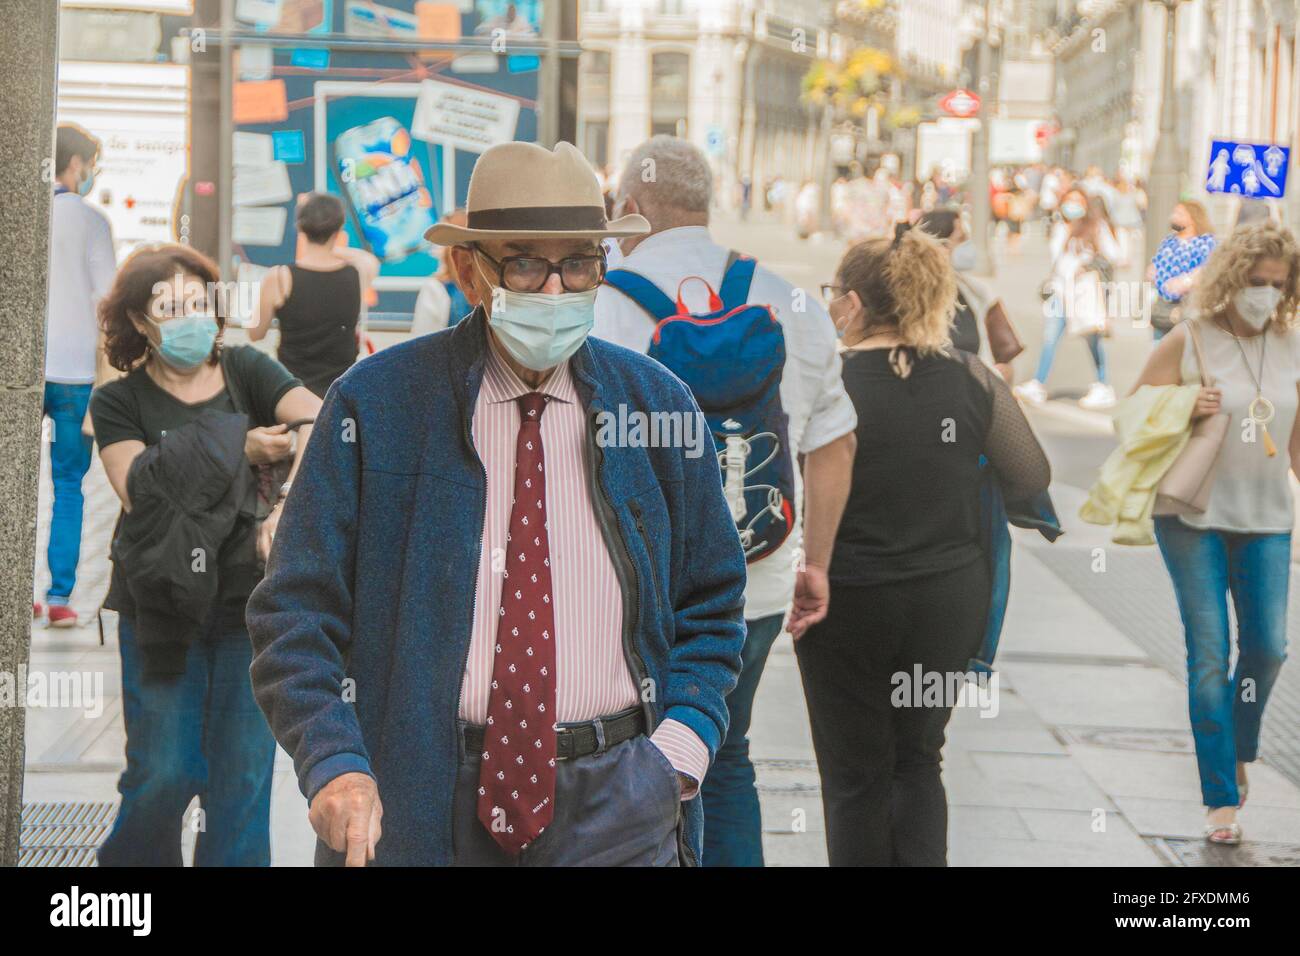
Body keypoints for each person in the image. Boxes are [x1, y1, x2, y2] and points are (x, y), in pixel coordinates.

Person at [246, 141, 748, 867]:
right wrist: (334, 760)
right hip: (423, 800)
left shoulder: (657, 406)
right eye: (524, 263)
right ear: (468, 272)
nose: (554, 290)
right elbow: (293, 608)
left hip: (622, 798)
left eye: (578, 263)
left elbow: (712, 597)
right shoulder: (376, 405)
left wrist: (679, 750)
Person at [594, 134, 858, 866]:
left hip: (633, 586)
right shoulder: (791, 300)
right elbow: (834, 444)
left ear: (629, 209)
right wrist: (817, 565)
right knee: (727, 752)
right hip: (758, 578)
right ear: (706, 206)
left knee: (634, 756)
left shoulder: (598, 307)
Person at [801, 228, 1050, 866]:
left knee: (855, 772)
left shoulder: (827, 382)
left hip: (846, 598)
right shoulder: (971, 377)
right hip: (947, 596)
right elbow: (1031, 477)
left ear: (853, 304)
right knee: (918, 759)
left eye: (834, 295)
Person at [89, 244, 321, 865]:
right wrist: (237, 448)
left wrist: (284, 502)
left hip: (247, 605)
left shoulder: (248, 370)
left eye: (198, 300)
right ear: (139, 320)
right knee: (164, 772)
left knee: (241, 779)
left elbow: (319, 418)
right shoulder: (118, 402)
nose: (189, 314)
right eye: (169, 305)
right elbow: (140, 486)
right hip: (160, 605)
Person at [1132, 222, 1299, 846]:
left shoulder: (1293, 344)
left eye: (1276, 284)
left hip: (1267, 519)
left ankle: (1237, 747)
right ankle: (1220, 800)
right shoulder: (1190, 337)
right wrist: (1184, 407)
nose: (1264, 293)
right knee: (1209, 657)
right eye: (1254, 281)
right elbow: (1133, 412)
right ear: (1231, 277)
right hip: (1190, 516)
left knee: (1270, 647)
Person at [37, 124, 117, 628]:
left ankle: (17, 589)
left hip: (25, 369)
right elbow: (107, 303)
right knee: (68, 485)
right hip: (76, 374)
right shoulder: (91, 221)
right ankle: (59, 595)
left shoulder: (25, 214)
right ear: (77, 164)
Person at [250, 192, 379, 398]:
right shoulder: (359, 272)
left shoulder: (279, 277)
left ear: (300, 227)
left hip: (292, 393)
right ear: (339, 229)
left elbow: (255, 333)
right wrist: (332, 249)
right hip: (340, 394)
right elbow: (369, 259)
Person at [1014, 187, 1120, 409]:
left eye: (1077, 200)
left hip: (1083, 293)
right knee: (1050, 337)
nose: (1072, 205)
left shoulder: (1096, 227)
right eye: (1068, 200)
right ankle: (1038, 384)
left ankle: (1103, 386)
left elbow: (1115, 255)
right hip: (1059, 291)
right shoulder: (1060, 227)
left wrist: (1088, 264)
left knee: (1092, 339)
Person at [912, 210, 1021, 382]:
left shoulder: (977, 292)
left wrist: (1001, 373)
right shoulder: (911, 301)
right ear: (938, 247)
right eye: (961, 238)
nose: (968, 245)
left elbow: (1004, 355)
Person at [1147, 200, 1216, 341]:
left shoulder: (1205, 242)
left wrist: (1186, 281)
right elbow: (1155, 265)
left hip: (1189, 307)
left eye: (1179, 213)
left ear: (1193, 217)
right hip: (1162, 309)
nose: (1173, 217)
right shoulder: (1169, 241)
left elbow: (1208, 269)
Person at [412, 209, 474, 335]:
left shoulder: (435, 288)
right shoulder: (490, 287)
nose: (434, 246)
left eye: (439, 240)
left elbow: (421, 343)